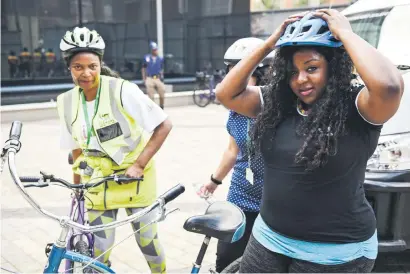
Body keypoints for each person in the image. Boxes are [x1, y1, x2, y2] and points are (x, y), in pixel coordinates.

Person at [216, 10, 404, 273]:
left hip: (334, 253)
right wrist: (270, 44)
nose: (300, 79)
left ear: (333, 66)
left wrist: (346, 35)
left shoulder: (359, 106)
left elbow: (390, 86)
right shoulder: (278, 103)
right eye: (292, 71)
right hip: (268, 237)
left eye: (312, 68)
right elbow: (226, 93)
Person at [57, 27, 172, 273]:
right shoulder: (66, 102)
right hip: (99, 182)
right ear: (69, 68)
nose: (86, 73)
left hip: (136, 181)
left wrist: (139, 164)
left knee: (148, 244)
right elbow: (76, 148)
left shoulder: (122, 90)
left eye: (92, 66)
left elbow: (164, 125)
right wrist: (77, 187)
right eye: (78, 67)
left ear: (100, 64)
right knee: (98, 252)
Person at [199, 37, 274, 273]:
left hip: (274, 201)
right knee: (226, 261)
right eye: (230, 74)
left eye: (241, 74)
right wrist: (214, 181)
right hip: (240, 195)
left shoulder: (280, 112)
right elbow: (233, 150)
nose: (232, 81)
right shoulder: (235, 111)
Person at [142, 41, 166, 109]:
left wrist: (162, 78)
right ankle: (152, 109)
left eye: (156, 49)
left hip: (157, 78)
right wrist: (144, 79)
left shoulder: (160, 59)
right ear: (152, 50)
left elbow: (161, 69)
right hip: (149, 78)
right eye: (154, 49)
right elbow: (143, 68)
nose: (156, 51)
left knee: (162, 92)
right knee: (151, 96)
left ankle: (161, 106)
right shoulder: (147, 58)